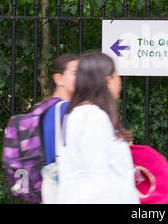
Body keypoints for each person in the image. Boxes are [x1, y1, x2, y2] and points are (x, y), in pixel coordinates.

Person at [57, 50, 139, 204]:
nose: (120, 81)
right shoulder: (94, 118)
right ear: (108, 80)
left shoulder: (74, 115)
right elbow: (97, 179)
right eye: (116, 75)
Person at [41, 53, 79, 203]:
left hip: (50, 187)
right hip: (65, 189)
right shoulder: (66, 110)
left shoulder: (44, 107)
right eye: (76, 73)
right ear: (59, 79)